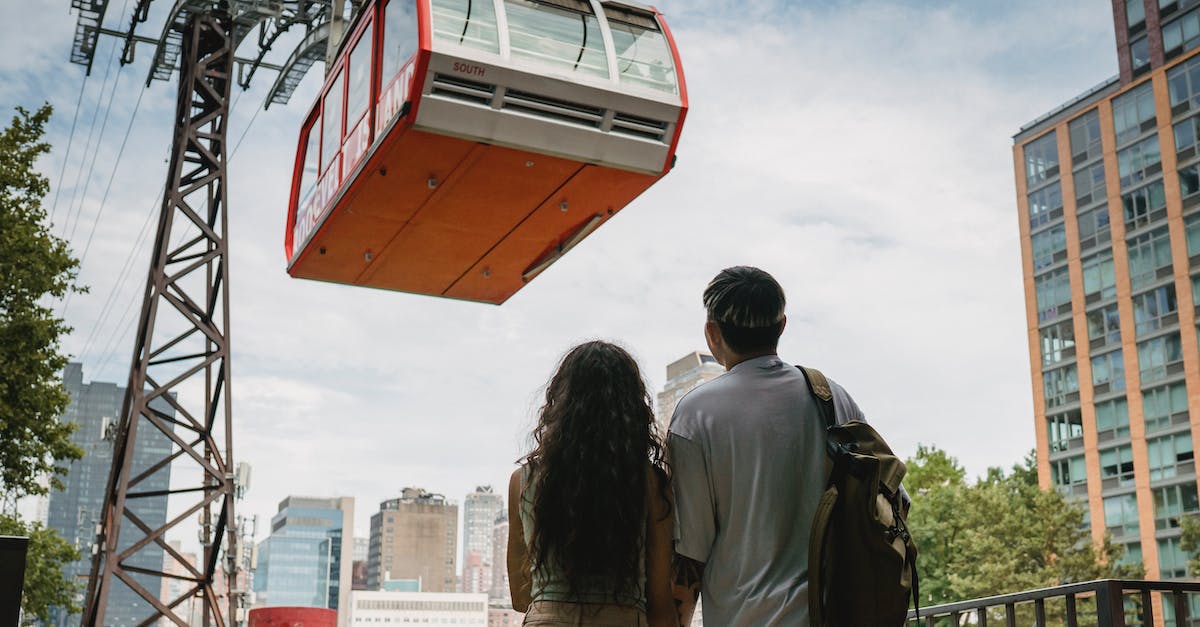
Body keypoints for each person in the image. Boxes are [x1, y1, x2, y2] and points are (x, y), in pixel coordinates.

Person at [667, 266, 868, 626]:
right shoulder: (831, 397)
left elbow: (690, 549)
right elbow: (887, 499)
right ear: (782, 325)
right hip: (834, 614)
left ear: (712, 334)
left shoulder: (696, 414)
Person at [507, 341, 676, 627]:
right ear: (633, 408)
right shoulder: (650, 482)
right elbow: (659, 602)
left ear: (559, 402)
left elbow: (521, 597)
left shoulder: (523, 481)